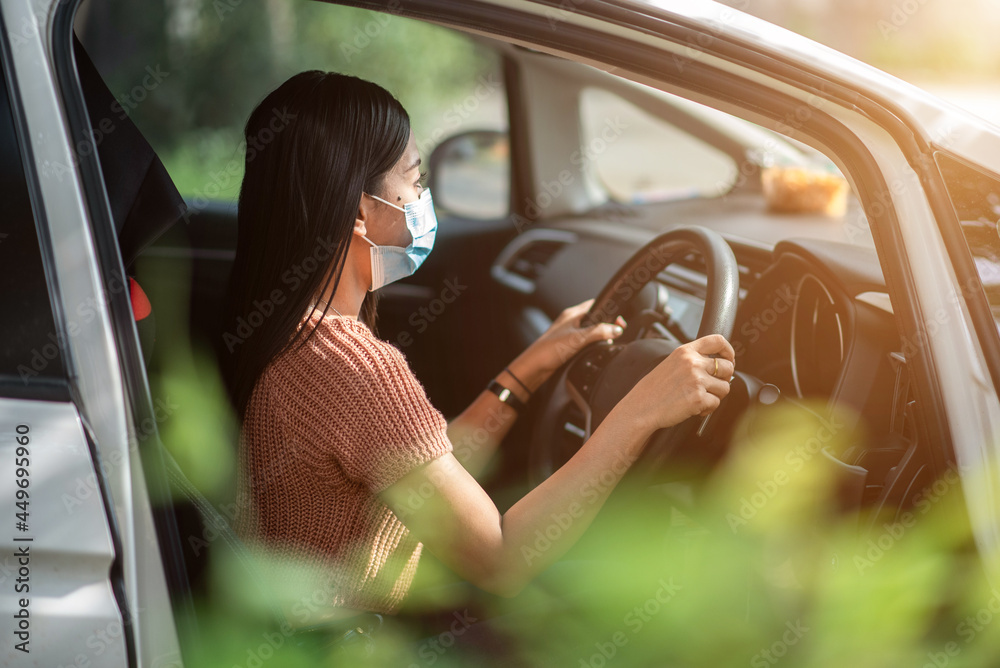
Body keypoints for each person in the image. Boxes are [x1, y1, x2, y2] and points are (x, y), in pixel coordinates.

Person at [223, 71, 735, 656]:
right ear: (361, 214)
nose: (424, 199)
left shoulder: (292, 338)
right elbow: (500, 557)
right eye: (415, 182)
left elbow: (423, 469)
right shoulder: (352, 367)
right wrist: (638, 412)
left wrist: (532, 366)